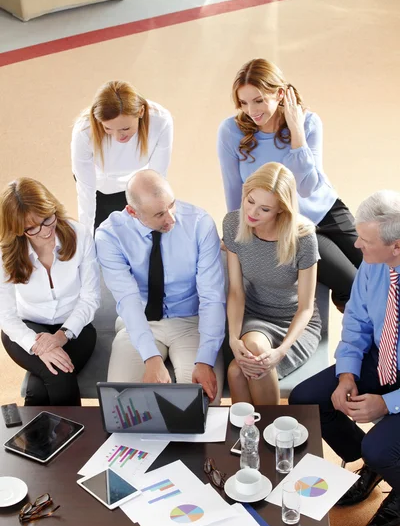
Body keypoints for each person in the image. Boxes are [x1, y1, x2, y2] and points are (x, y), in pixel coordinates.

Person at [289, 190, 400, 526]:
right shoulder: (373, 264)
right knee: (306, 399)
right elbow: (356, 322)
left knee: (379, 446)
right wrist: (347, 373)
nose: (355, 246)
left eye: (365, 240)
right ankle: (376, 464)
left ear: (395, 246)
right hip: (381, 359)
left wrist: (387, 403)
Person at [217, 58, 362, 312]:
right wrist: (235, 232)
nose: (251, 110)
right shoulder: (231, 131)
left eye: (259, 100)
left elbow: (309, 187)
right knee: (353, 285)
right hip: (291, 224)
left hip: (328, 209)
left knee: (383, 269)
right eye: (244, 102)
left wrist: (296, 132)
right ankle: (372, 342)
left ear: (280, 93)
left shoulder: (308, 122)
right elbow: (233, 187)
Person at [95, 169, 225, 404]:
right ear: (132, 212)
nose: (171, 218)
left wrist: (205, 361)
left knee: (199, 406)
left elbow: (212, 297)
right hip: (139, 322)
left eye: (172, 205)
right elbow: (128, 299)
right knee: (123, 406)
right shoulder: (109, 236)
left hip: (191, 322)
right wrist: (150, 358)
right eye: (159, 214)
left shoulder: (200, 223)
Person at [223, 162, 321, 406]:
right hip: (255, 315)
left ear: (281, 210)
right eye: (250, 200)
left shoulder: (303, 238)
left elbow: (306, 308)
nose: (252, 212)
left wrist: (281, 351)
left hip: (294, 322)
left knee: (238, 371)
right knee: (247, 357)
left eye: (265, 209)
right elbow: (236, 291)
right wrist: (234, 339)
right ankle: (259, 439)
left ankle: (261, 435)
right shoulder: (233, 224)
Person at [0, 178, 100, 406]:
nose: (45, 231)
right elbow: (6, 316)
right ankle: (78, 441)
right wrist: (38, 347)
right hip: (27, 328)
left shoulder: (80, 235)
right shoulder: (5, 253)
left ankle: (30, 442)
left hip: (76, 327)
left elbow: (90, 298)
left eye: (47, 219)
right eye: (32, 228)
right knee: (60, 375)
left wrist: (60, 336)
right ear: (17, 229)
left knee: (41, 387)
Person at [71, 80, 173, 234]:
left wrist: (160, 216)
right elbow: (86, 190)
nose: (118, 137)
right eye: (108, 128)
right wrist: (86, 237)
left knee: (148, 232)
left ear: (140, 112)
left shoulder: (160, 120)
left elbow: (157, 178)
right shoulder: (84, 131)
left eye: (125, 128)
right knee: (101, 236)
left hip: (138, 185)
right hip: (99, 189)